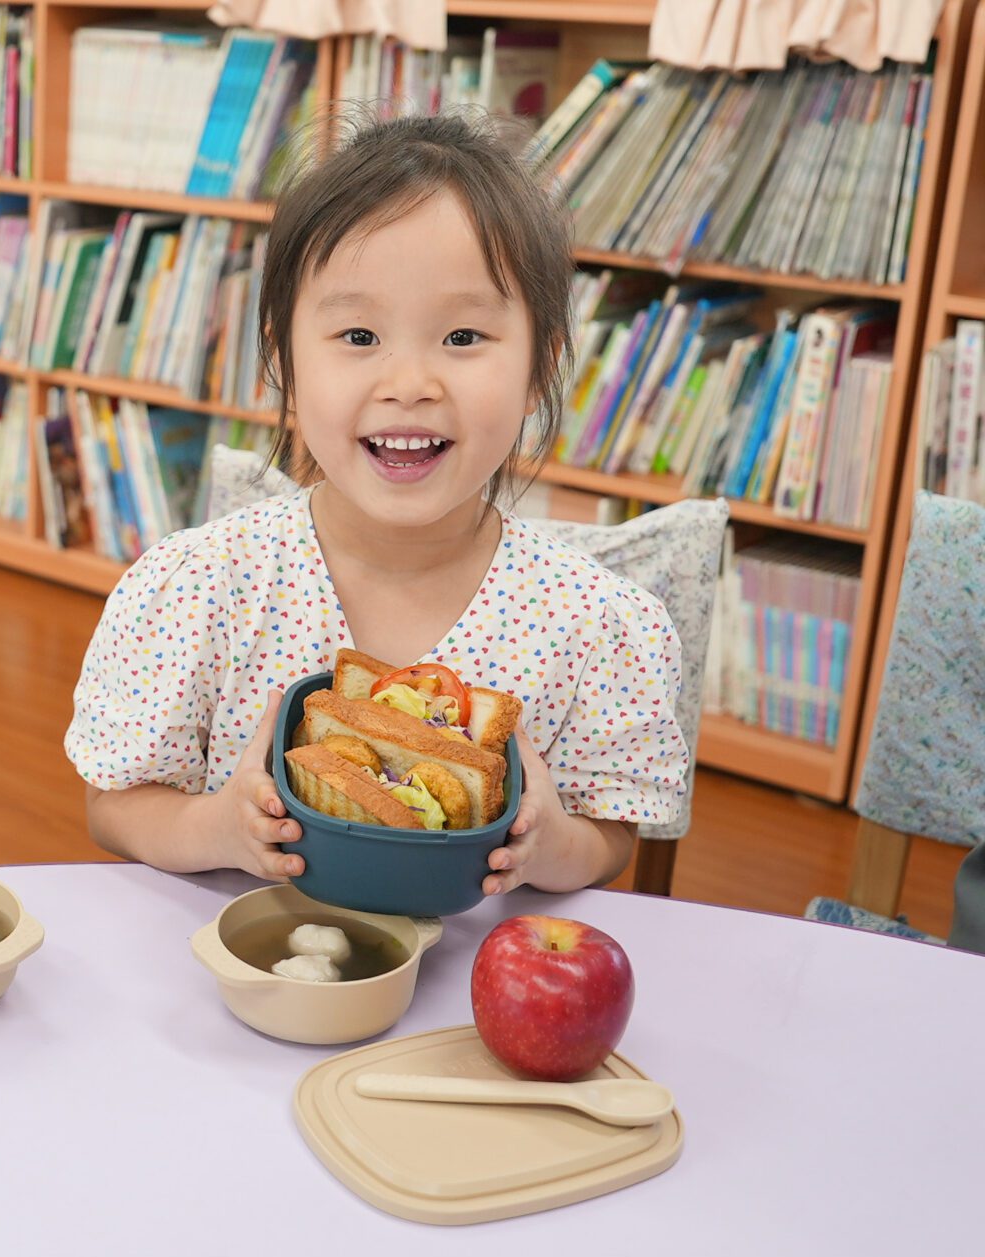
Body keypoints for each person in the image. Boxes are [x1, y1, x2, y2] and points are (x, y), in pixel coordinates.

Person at [66, 113, 688, 895]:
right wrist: (215, 827)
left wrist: (557, 843)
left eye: (462, 338)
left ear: (541, 366)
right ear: (283, 356)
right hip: (254, 982)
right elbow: (115, 805)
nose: (409, 383)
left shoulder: (594, 625)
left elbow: (611, 834)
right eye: (359, 336)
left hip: (475, 990)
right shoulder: (201, 586)